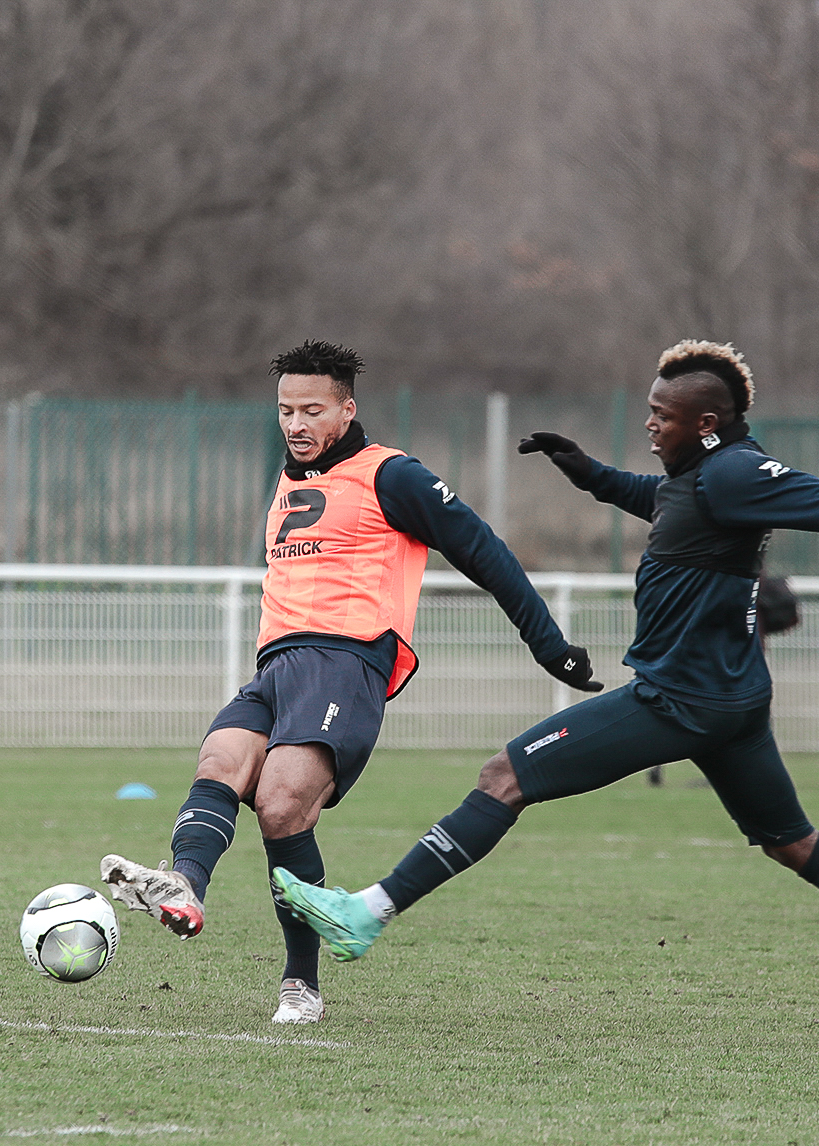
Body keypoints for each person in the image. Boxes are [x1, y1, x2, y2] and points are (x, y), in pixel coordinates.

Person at [274, 338, 819, 1042]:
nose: (648, 424)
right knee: (794, 842)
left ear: (706, 424)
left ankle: (367, 913)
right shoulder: (701, 477)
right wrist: (589, 474)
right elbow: (661, 498)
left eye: (661, 415)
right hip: (731, 703)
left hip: (680, 700)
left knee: (504, 776)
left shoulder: (737, 473)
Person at [98, 340, 600, 1024]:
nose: (296, 424)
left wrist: (550, 646)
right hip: (277, 665)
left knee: (281, 804)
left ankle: (300, 985)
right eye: (285, 410)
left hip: (346, 662)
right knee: (219, 761)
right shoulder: (290, 479)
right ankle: (183, 885)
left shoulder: (392, 476)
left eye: (312, 410)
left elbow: (483, 551)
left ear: (346, 410)